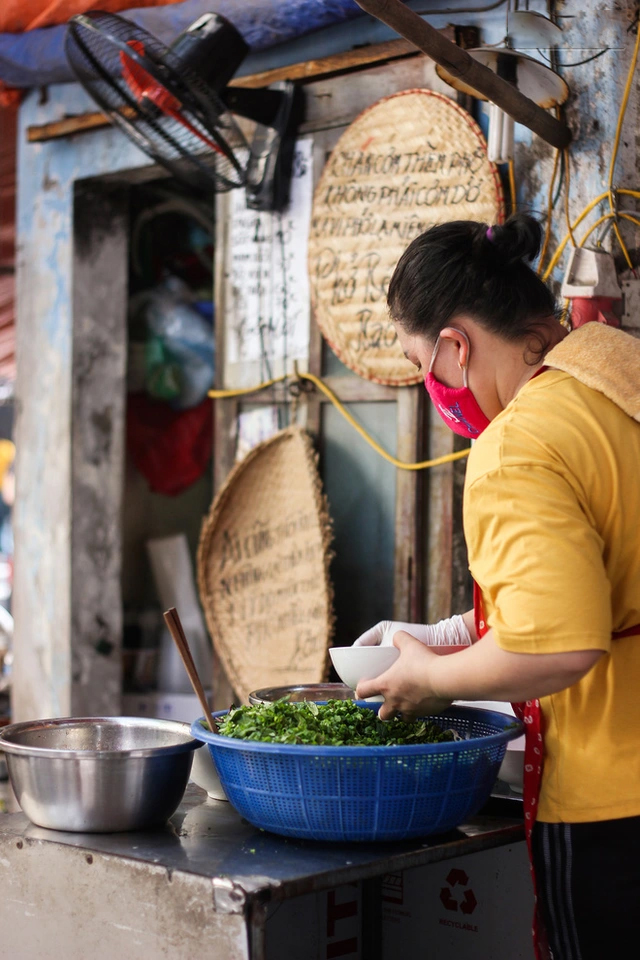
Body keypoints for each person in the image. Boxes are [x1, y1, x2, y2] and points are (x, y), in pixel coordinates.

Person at [353, 214, 640, 960]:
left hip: (618, 800)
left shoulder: (517, 444)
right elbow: (601, 580)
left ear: (456, 343)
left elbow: (565, 646)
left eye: (426, 364)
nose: (434, 388)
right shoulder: (618, 371)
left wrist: (432, 681)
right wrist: (452, 634)